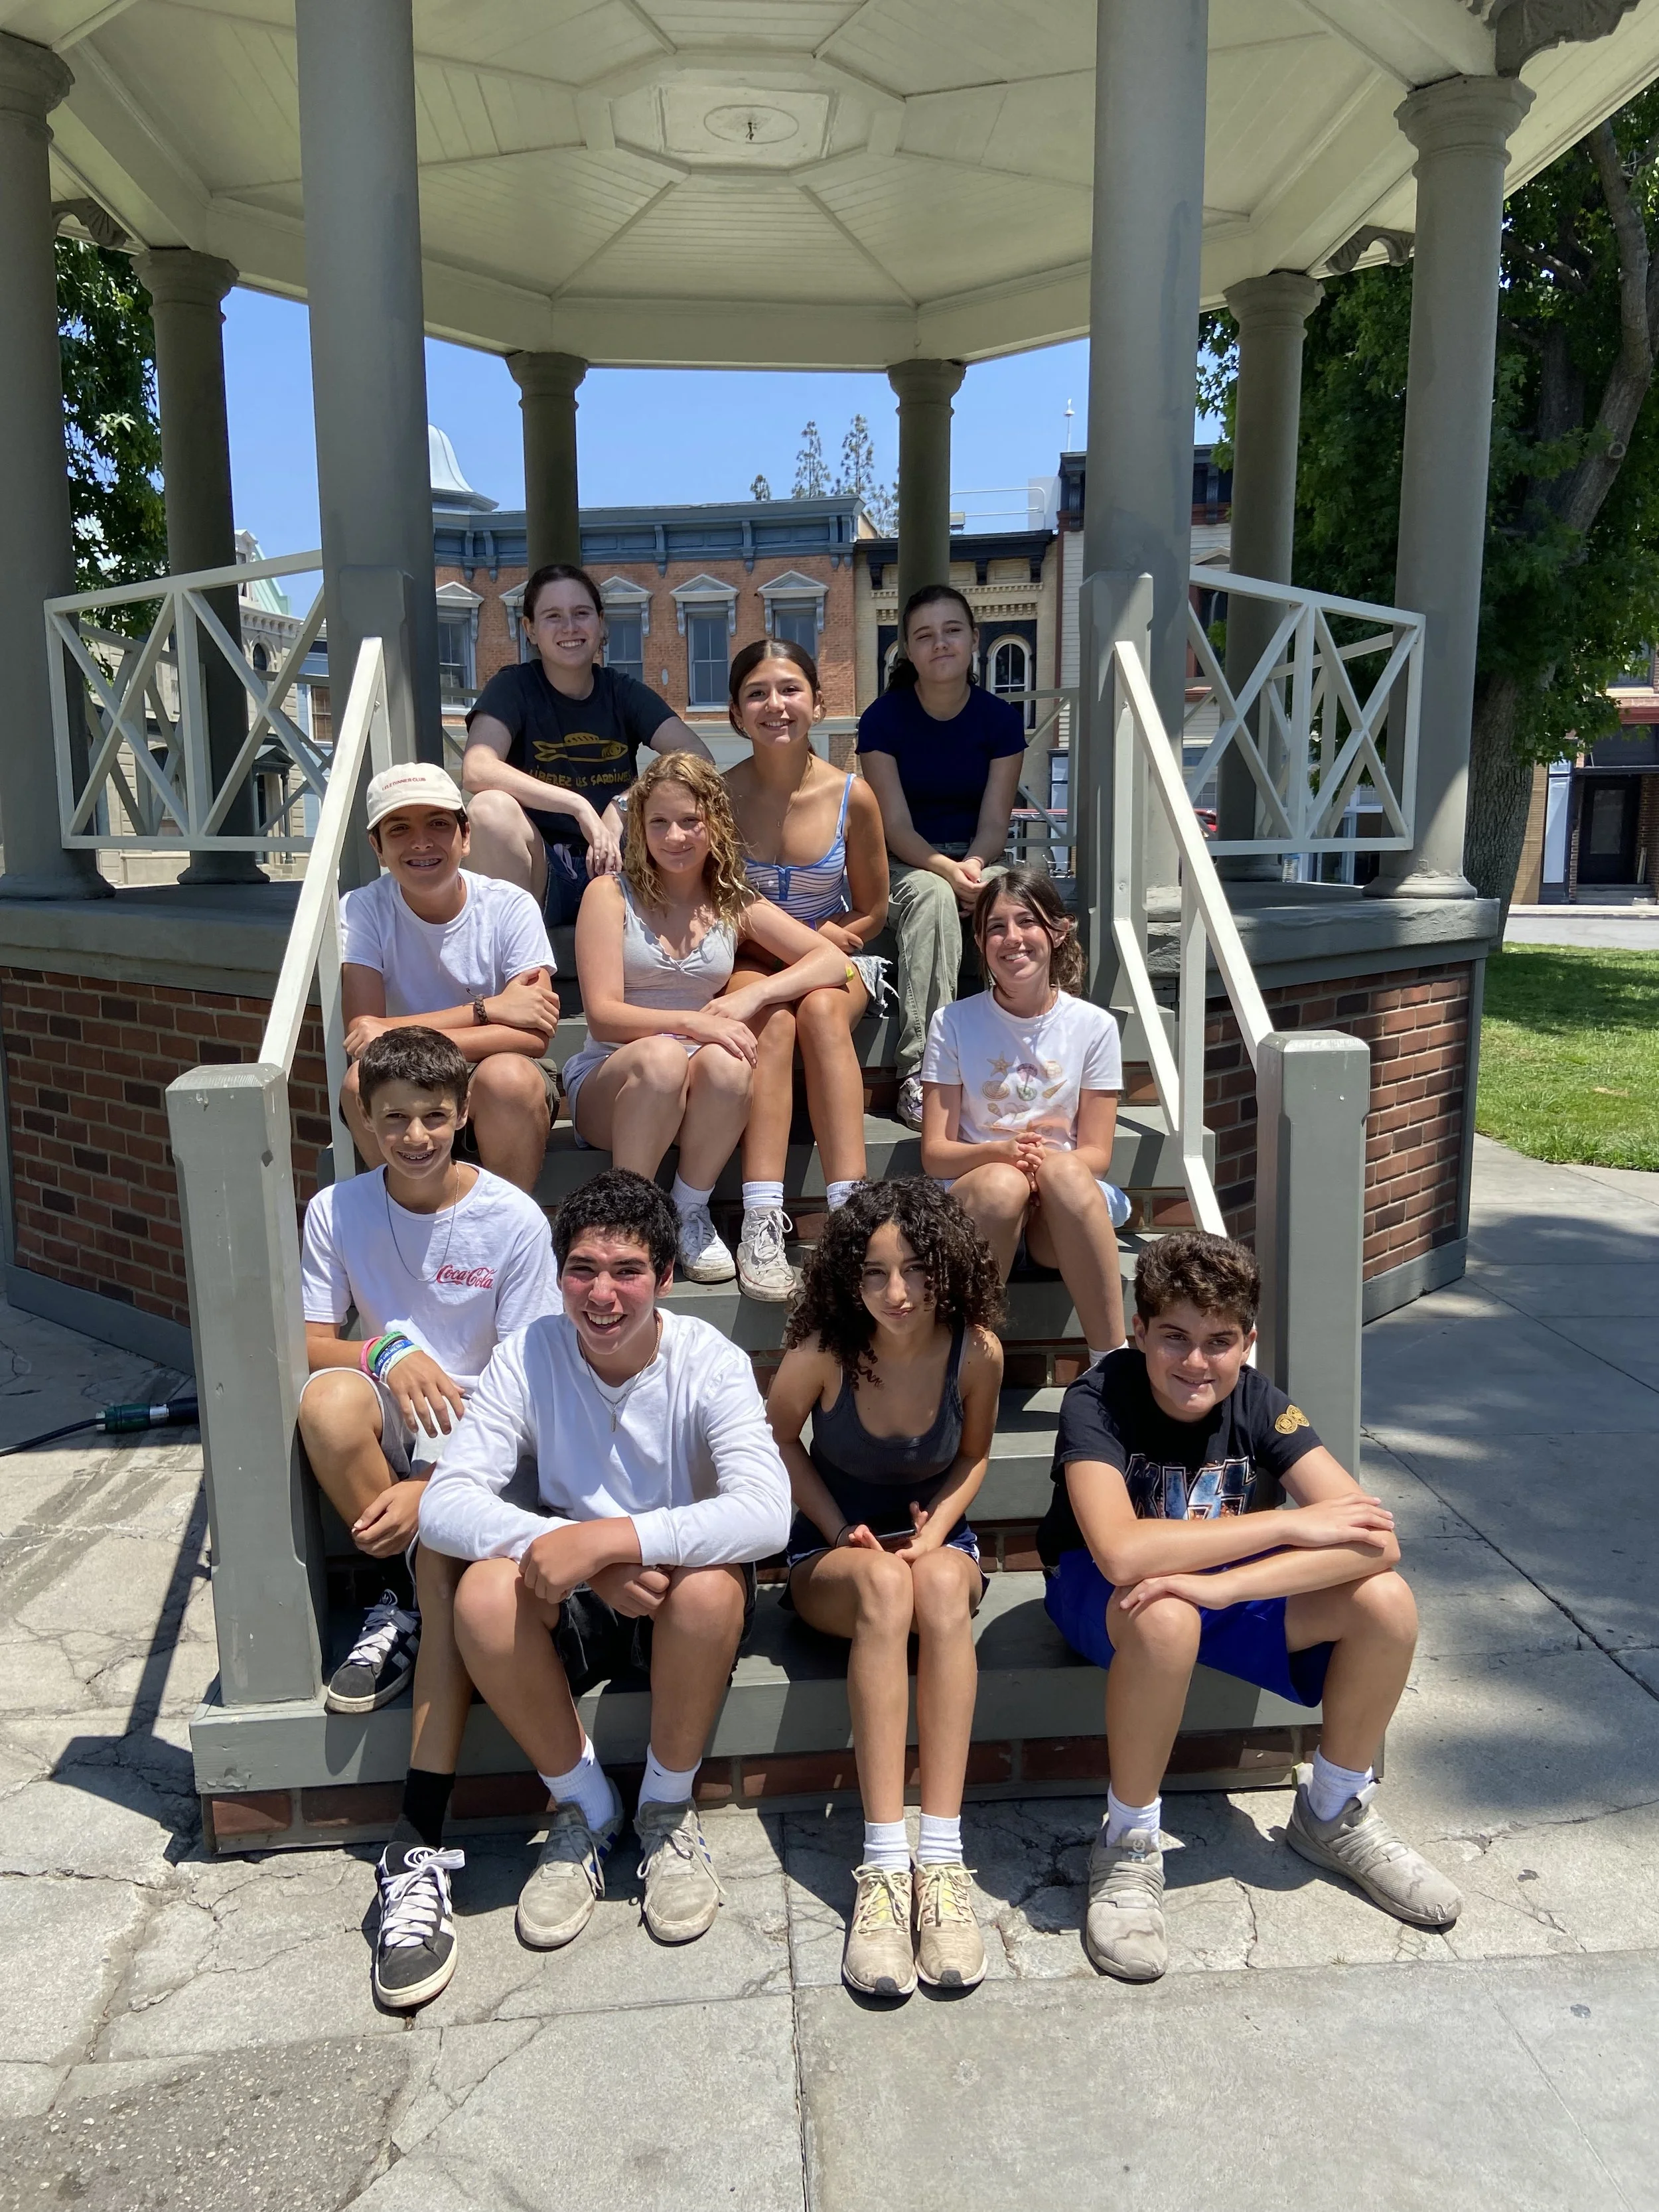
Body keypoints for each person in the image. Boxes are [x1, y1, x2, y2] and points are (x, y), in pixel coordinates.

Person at [1039, 1229, 1463, 1983]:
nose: (1195, 1362)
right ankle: (1129, 1841)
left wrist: (1223, 1585)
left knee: (1385, 1603)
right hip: (1097, 1593)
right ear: (1138, 1332)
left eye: (1218, 1341)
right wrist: (1289, 1523)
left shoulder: (1261, 1402)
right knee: (1164, 1614)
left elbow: (1374, 1543)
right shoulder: (1097, 1397)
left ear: (1247, 1344)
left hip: (1219, 1583)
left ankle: (1332, 1812)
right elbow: (1119, 1553)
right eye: (1173, 1337)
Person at [418, 1169, 792, 1952]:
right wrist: (585, 1561)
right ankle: (585, 1807)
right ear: (559, 1276)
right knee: (484, 1593)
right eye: (582, 1270)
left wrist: (613, 1539)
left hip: (674, 1596)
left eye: (627, 1272)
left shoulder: (709, 1359)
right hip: (579, 1601)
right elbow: (446, 1503)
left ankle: (665, 1809)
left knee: (713, 1591)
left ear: (663, 1277)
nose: (602, 1295)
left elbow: (766, 1513)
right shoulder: (528, 1353)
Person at [297, 1027, 557, 2010]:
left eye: (435, 1117)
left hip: (492, 1450)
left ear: (464, 1120)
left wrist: (441, 1486)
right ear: (362, 1118)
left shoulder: (513, 1221)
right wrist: (384, 1352)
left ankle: (416, 1838)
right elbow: (313, 1342)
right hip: (389, 1428)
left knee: (447, 1545)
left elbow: (532, 1382)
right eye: (393, 1117)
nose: (414, 1135)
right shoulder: (338, 1208)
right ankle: (404, 1601)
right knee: (325, 1405)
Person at [767, 1181, 1003, 1998]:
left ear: (946, 1267)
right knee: (880, 1586)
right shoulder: (823, 1351)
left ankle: (938, 1862)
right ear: (847, 1279)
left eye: (913, 1270)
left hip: (931, 1540)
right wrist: (837, 1530)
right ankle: (881, 1867)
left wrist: (935, 1532)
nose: (895, 1294)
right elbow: (779, 1442)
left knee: (935, 1587)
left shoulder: (975, 1351)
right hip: (831, 1559)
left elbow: (973, 1457)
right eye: (873, 1273)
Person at [563, 752, 850, 1288]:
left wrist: (754, 995)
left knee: (730, 1064)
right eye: (659, 822)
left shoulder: (730, 901)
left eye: (691, 821)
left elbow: (833, 961)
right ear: (640, 830)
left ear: (714, 823)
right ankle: (631, 1220)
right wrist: (695, 1024)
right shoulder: (609, 894)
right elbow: (602, 1017)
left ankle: (687, 1210)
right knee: (664, 1056)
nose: (676, 836)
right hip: (615, 1079)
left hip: (696, 1088)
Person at [723, 637, 890, 1300]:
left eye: (790, 689)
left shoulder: (855, 796)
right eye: (758, 693)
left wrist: (826, 938)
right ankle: (762, 1219)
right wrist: (786, 950)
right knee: (766, 1017)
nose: (776, 705)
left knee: (818, 1009)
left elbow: (872, 911)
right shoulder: (722, 796)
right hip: (748, 961)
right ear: (737, 713)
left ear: (817, 702)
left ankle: (851, 1217)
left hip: (831, 961)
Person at [920, 866, 1129, 1366]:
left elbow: (1097, 1155)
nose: (1012, 938)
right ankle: (963, 1362)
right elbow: (935, 1154)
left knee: (1065, 1172)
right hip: (982, 1205)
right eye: (995, 927)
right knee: (1001, 1184)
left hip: (1057, 1211)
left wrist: (1044, 1170)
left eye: (1026, 922)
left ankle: (1113, 1363)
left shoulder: (1094, 1027)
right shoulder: (953, 1022)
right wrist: (1001, 1154)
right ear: (980, 941)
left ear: (1057, 931)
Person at [340, 761, 559, 1195]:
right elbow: (363, 1040)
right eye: (398, 828)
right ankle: (413, 1225)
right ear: (377, 847)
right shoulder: (361, 909)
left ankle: (505, 1237)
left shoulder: (509, 905)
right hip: (406, 1072)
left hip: (496, 1074)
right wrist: (489, 1010)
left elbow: (534, 1036)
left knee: (509, 1080)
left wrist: (392, 1029)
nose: (421, 842)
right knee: (358, 1081)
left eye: (438, 823)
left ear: (465, 836)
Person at [857, 585, 1027, 1128]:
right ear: (907, 649)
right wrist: (946, 871)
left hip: (977, 858)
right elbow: (896, 827)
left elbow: (995, 824)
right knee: (932, 897)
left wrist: (972, 869)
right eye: (924, 635)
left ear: (974, 639)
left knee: (1023, 904)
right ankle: (924, 1073)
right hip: (907, 864)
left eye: (952, 630)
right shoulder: (883, 720)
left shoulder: (999, 720)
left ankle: (1032, 1055)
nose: (940, 644)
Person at [461, 562, 714, 926]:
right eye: (553, 616)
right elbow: (478, 768)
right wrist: (579, 807)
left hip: (620, 866)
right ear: (529, 629)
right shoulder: (514, 688)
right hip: (544, 872)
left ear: (601, 623)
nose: (569, 627)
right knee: (488, 809)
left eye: (581, 613)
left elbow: (699, 759)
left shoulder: (623, 692)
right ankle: (517, 961)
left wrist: (622, 803)